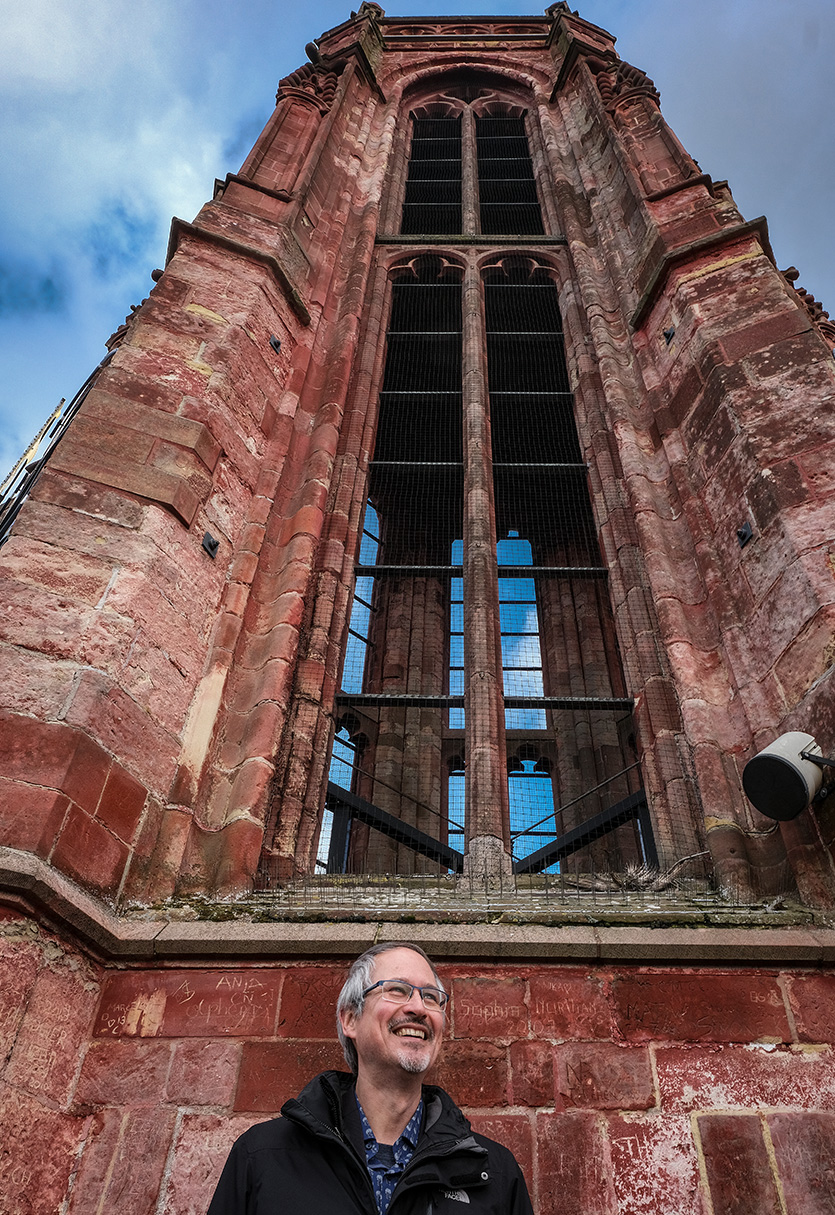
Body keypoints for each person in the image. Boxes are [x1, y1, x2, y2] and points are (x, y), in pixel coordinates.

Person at [207, 941, 534, 1214]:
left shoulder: (495, 1173)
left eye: (431, 996)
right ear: (350, 1019)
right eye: (397, 990)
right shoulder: (263, 1155)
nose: (419, 1007)